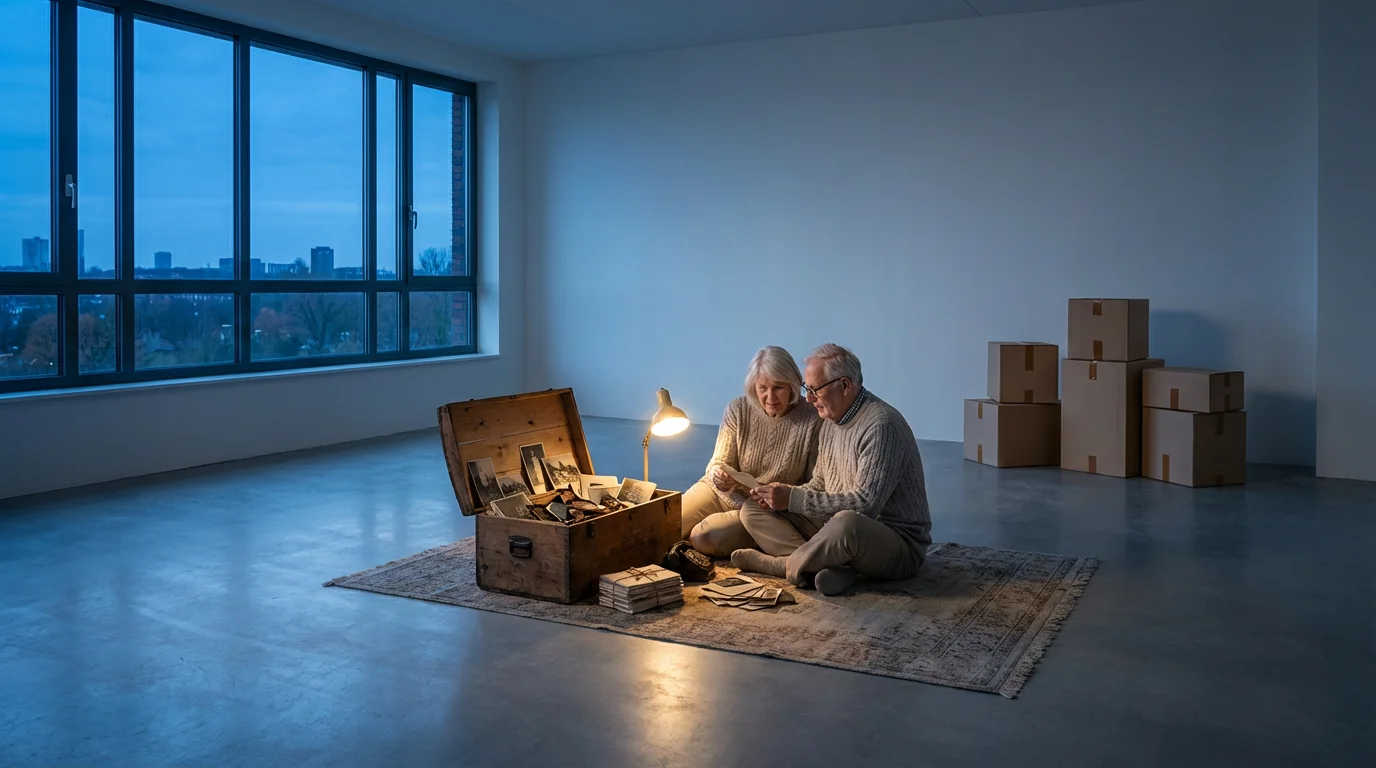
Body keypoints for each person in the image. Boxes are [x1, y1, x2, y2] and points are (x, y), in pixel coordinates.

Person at [730, 343, 932, 596]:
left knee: (848, 522)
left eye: (815, 390)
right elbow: (820, 483)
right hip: (835, 528)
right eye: (807, 389)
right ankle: (828, 568)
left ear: (844, 385)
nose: (808, 398)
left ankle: (784, 565)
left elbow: (866, 505)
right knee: (754, 509)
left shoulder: (882, 425)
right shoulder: (830, 421)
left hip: (896, 543)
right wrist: (781, 495)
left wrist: (793, 499)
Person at [681, 346, 822, 557]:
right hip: (720, 492)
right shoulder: (738, 409)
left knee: (703, 536)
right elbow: (718, 462)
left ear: (792, 385)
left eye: (778, 387)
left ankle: (761, 541)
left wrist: (776, 497)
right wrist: (719, 476)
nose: (770, 397)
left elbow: (814, 485)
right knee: (667, 522)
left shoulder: (813, 418)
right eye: (762, 388)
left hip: (763, 511)